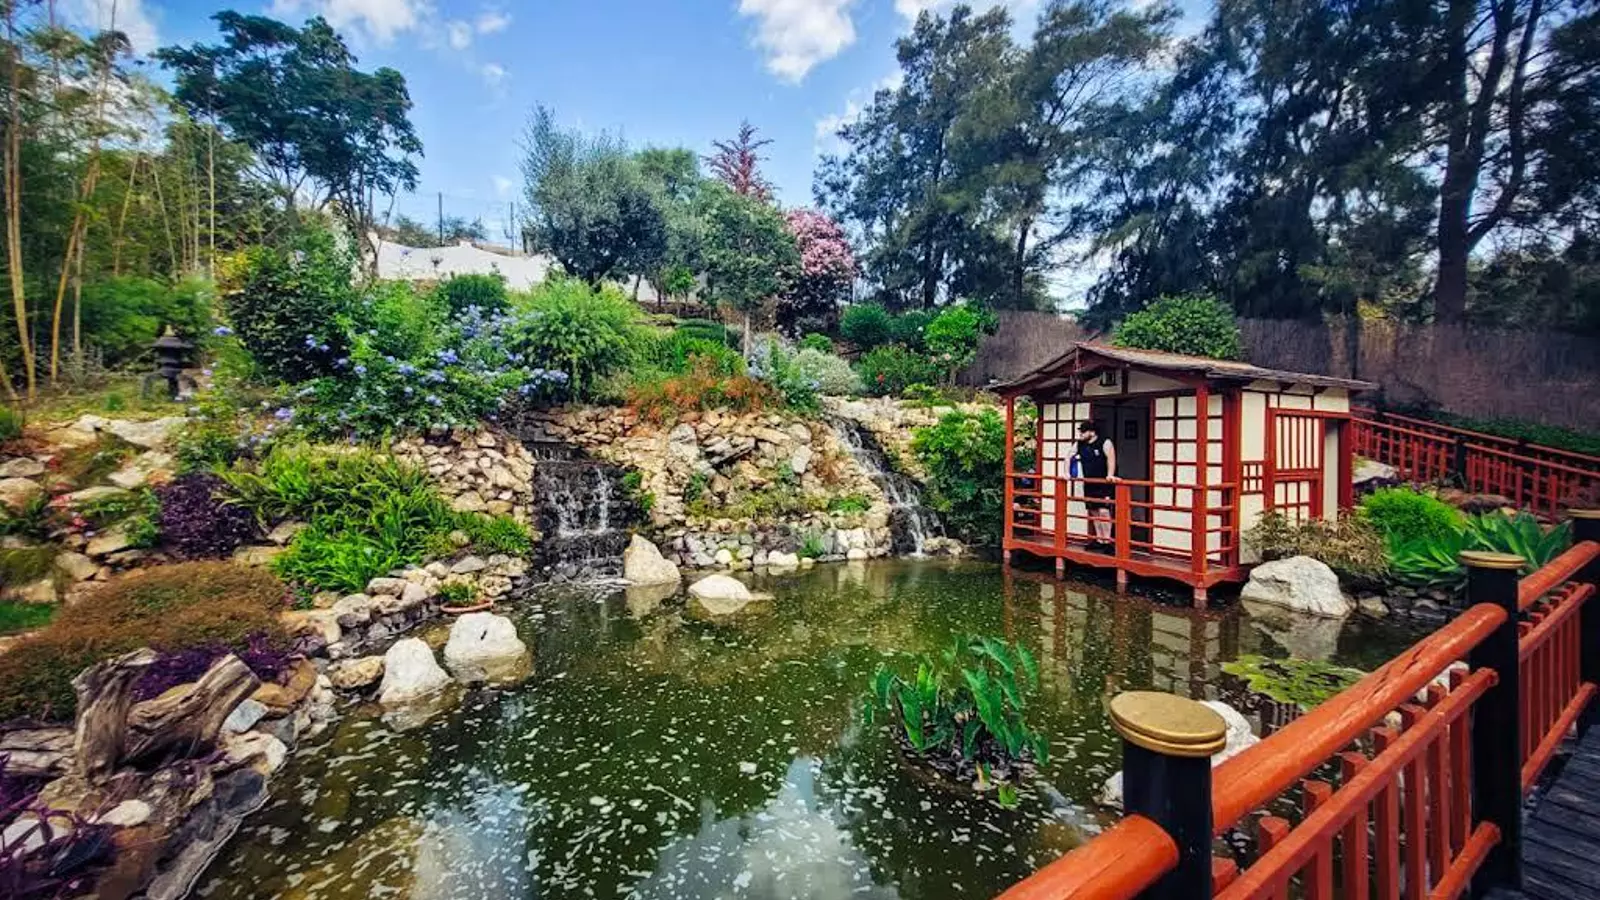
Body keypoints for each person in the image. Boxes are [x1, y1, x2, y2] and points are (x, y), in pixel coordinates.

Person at [1072, 420, 1117, 549]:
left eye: (1083, 431)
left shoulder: (1105, 442)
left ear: (1092, 432)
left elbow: (1111, 459)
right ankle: (1099, 539)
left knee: (1104, 511)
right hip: (1089, 482)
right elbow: (1069, 456)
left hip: (1103, 483)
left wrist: (1110, 474)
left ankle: (1107, 541)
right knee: (1093, 511)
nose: (1081, 434)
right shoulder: (1080, 444)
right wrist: (1066, 472)